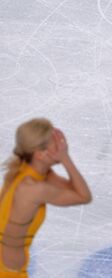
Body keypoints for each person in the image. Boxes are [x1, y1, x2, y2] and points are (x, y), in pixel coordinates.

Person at [0, 118, 92, 277]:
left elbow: (75, 190)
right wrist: (65, 159)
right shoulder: (35, 189)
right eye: (56, 142)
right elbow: (83, 196)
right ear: (39, 154)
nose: (62, 145)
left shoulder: (26, 171)